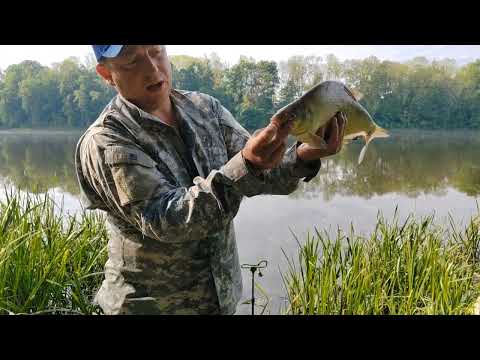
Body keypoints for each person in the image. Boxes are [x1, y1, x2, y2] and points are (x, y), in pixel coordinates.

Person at [75, 45, 347, 315]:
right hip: (150, 308)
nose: (152, 68)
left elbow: (263, 172)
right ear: (106, 74)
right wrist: (247, 164)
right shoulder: (106, 140)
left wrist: (303, 155)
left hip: (220, 302)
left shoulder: (205, 109)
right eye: (132, 60)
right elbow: (167, 221)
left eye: (156, 51)